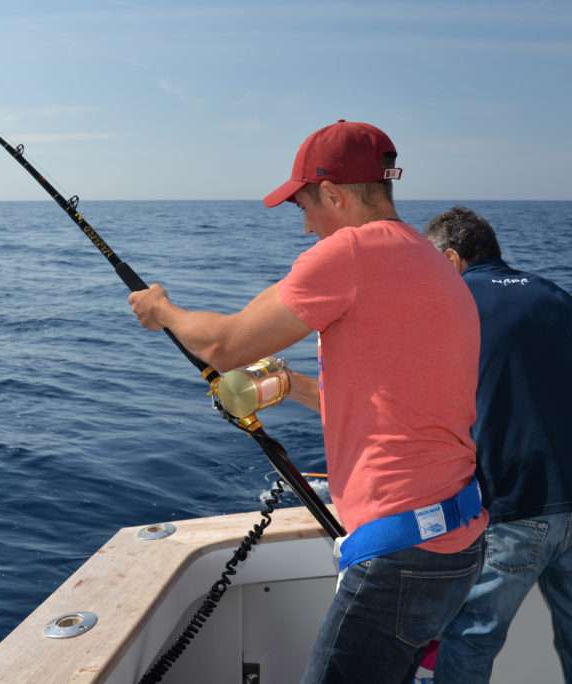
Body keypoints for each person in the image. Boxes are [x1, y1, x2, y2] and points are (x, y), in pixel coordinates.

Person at [128, 120, 487, 683]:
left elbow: (224, 344)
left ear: (334, 194)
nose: (304, 227)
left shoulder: (350, 253)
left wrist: (163, 311)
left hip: (400, 552)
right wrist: (290, 385)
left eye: (304, 206)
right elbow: (395, 408)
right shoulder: (428, 261)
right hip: (456, 538)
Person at [426, 207, 572, 683]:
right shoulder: (556, 295)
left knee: (471, 638)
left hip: (513, 507)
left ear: (450, 260)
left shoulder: (453, 305)